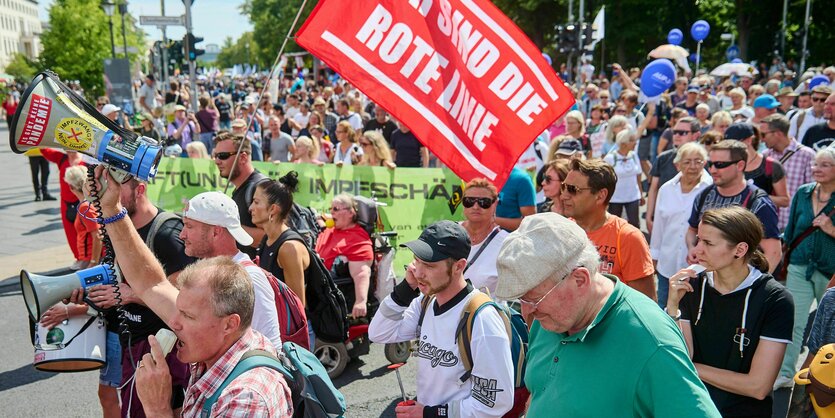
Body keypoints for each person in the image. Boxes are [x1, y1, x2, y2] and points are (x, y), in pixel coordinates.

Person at [89, 167, 292, 417]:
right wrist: (111, 209)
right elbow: (152, 284)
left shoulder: (245, 398)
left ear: (230, 324)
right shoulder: (215, 338)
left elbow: (270, 347)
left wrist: (157, 409)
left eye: (188, 315)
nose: (173, 321)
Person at [493, 213, 721, 417]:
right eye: (521, 300)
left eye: (534, 299)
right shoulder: (549, 317)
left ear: (580, 279)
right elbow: (541, 390)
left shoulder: (651, 342)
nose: (527, 311)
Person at [369, 221, 514, 418]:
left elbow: (495, 403)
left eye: (428, 265)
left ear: (458, 266)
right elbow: (378, 332)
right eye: (416, 260)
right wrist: (405, 289)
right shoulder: (425, 301)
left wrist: (430, 414)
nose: (418, 272)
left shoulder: (482, 319)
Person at [81, 175, 195, 417]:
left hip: (162, 350)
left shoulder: (167, 233)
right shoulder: (118, 230)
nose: (106, 196)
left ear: (140, 190)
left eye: (115, 190)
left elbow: (184, 301)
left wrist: (130, 294)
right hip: (131, 345)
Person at [667, 206, 794, 416]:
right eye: (699, 240)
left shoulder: (775, 299)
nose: (697, 250)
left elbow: (758, 387)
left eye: (708, 243)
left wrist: (690, 367)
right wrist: (673, 308)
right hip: (690, 407)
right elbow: (682, 353)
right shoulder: (691, 286)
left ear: (740, 250)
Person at [180, 191, 283, 348]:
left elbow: (271, 346)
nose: (182, 235)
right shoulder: (206, 272)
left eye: (189, 226)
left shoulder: (250, 278)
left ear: (216, 231)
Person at [775, 147, 835, 389]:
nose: (816, 169)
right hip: (799, 265)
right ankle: (786, 374)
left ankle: (825, 379)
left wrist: (830, 228)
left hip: (830, 271)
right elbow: (791, 230)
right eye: (815, 164)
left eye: (824, 165)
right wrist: (782, 254)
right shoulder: (802, 192)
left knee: (830, 328)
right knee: (793, 320)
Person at [560, 159, 656, 300]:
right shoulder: (562, 231)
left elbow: (646, 304)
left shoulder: (628, 238)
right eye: (563, 187)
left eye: (573, 189)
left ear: (600, 196)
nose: (564, 196)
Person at [686, 140, 783, 273]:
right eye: (710, 164)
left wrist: (754, 288)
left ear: (740, 165)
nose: (712, 170)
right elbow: (692, 229)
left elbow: (773, 252)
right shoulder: (704, 195)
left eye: (720, 164)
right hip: (707, 282)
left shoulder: (758, 202)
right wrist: (692, 247)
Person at [650, 143, 713, 308]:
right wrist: (654, 257)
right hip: (667, 263)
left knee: (694, 312)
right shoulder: (666, 189)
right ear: (677, 165)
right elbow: (659, 226)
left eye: (698, 161)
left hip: (699, 266)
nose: (693, 166)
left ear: (705, 163)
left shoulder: (711, 189)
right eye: (687, 162)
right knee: (665, 308)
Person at [315, 194, 374, 319]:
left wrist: (360, 302)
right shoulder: (334, 228)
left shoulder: (357, 239)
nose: (331, 212)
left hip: (327, 295)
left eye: (335, 209)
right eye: (330, 209)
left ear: (351, 213)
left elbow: (361, 272)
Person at [212, 133, 266, 257]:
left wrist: (227, 226)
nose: (217, 161)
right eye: (215, 156)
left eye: (223, 156)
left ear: (243, 158)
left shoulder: (260, 188)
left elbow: (270, 238)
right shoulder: (242, 188)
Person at [646, 116, 702, 233]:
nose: (676, 136)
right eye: (675, 132)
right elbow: (653, 189)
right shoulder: (663, 158)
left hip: (694, 224)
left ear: (696, 135)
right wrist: (649, 216)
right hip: (665, 219)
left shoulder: (704, 161)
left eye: (682, 133)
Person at [760, 114, 816, 230]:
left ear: (778, 133)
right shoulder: (765, 155)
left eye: (763, 134)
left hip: (795, 222)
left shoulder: (806, 154)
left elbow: (813, 191)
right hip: (769, 221)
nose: (761, 139)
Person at [459, 179, 509, 296]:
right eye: (469, 201)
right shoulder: (448, 232)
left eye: (483, 202)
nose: (476, 206)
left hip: (486, 310)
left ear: (495, 204)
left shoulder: (507, 242)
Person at [724, 122, 790, 208]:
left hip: (761, 219)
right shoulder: (727, 164)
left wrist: (754, 196)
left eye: (734, 143)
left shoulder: (771, 165)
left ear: (749, 140)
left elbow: (785, 201)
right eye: (726, 144)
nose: (729, 148)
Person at [41, 148, 85, 269]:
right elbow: (44, 150)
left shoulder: (86, 160)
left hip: (82, 201)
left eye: (72, 148)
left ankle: (88, 258)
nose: (70, 151)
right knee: (70, 233)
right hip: (65, 203)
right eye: (67, 148)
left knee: (86, 232)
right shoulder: (61, 158)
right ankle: (79, 258)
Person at [603, 129, 643, 228]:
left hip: (633, 196)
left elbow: (638, 175)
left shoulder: (634, 156)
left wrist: (641, 194)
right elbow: (604, 180)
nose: (635, 142)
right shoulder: (610, 158)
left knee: (634, 224)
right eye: (632, 140)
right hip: (615, 198)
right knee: (614, 225)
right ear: (624, 143)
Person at [495, 166, 537, 231]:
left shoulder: (522, 179)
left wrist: (492, 220)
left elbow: (530, 223)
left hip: (511, 239)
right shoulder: (481, 174)